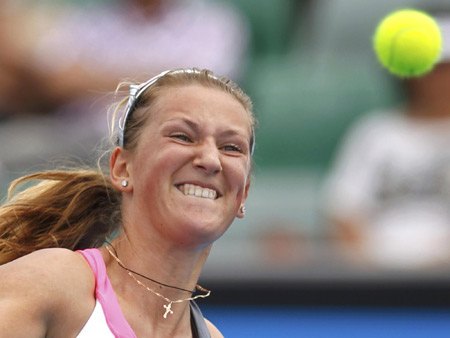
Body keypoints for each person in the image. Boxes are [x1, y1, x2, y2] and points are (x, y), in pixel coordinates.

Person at [0, 68, 257, 337]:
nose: (210, 160)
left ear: (243, 195)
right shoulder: (52, 282)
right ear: (123, 168)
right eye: (182, 136)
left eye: (231, 147)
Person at [323, 14, 450, 270]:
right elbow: (343, 215)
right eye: (433, 68)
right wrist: (370, 272)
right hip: (380, 285)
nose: (440, 79)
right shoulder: (374, 133)